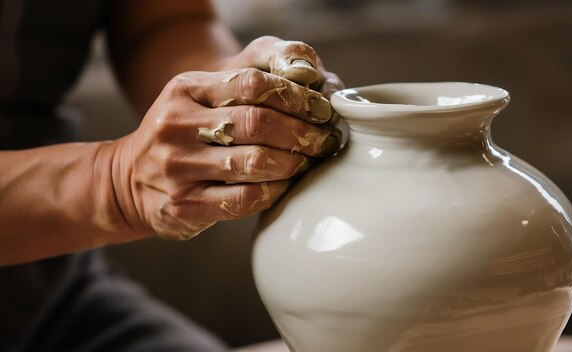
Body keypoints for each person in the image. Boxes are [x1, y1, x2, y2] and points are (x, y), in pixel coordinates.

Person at [0, 0, 343, 350]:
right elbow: (115, 183)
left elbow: (165, 21)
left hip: (54, 294)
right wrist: (114, 185)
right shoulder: (112, 184)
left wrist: (228, 92)